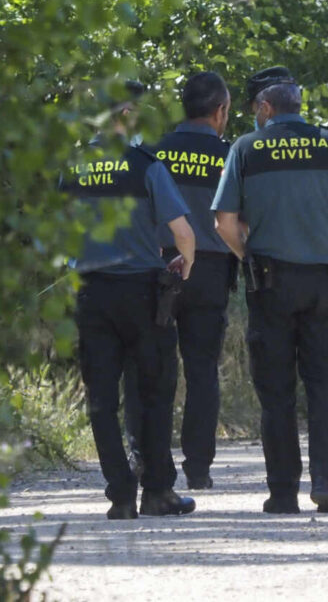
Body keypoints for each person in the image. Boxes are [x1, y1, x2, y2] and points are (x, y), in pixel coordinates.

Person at [212, 67, 328, 514]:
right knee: (323, 386)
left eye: (256, 109)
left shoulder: (246, 148)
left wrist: (247, 255)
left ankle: (283, 491)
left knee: (276, 391)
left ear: (266, 109)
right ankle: (326, 481)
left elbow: (223, 222)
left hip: (270, 281)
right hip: (325, 281)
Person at [62, 81, 197, 519]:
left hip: (91, 293)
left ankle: (120, 494)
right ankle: (157, 491)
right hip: (142, 294)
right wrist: (185, 264)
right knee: (155, 392)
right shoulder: (146, 166)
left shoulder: (74, 167)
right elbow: (182, 232)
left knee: (101, 396)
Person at [123, 72, 235, 489]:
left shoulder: (152, 152)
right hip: (209, 270)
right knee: (202, 368)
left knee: (148, 367)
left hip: (156, 268)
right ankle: (199, 468)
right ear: (221, 110)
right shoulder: (230, 156)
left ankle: (145, 460)